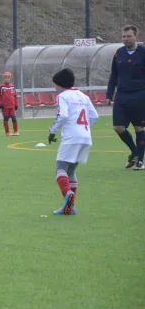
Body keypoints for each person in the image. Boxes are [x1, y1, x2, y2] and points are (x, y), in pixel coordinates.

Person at [48, 68, 98, 215]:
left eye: (55, 85)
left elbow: (62, 116)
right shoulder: (83, 96)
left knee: (60, 169)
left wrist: (52, 131)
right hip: (85, 137)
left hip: (71, 137)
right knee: (71, 170)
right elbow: (94, 116)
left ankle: (68, 195)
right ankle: (69, 207)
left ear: (60, 84)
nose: (55, 88)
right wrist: (82, 129)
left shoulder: (63, 96)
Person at [106, 24, 145, 171]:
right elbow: (114, 75)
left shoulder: (142, 52)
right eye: (124, 36)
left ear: (136, 36)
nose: (126, 39)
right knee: (118, 127)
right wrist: (109, 94)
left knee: (138, 127)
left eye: (129, 36)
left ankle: (140, 161)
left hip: (139, 96)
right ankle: (135, 151)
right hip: (121, 96)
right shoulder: (118, 53)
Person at [0, 71, 20, 136]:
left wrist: (16, 104)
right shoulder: (1, 87)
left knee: (14, 118)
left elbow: (15, 96)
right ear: (4, 79)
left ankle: (16, 131)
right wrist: (0, 104)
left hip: (12, 106)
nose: (7, 79)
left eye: (8, 78)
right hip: (5, 106)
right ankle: (7, 132)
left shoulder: (12, 86)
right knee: (6, 118)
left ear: (10, 78)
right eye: (6, 78)